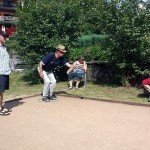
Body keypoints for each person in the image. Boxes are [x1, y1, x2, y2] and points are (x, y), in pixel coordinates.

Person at [0, 31, 12, 116]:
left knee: (1, 92)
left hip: (5, 72)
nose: (5, 38)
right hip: (0, 73)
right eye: (3, 36)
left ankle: (1, 107)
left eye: (5, 36)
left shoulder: (4, 47)